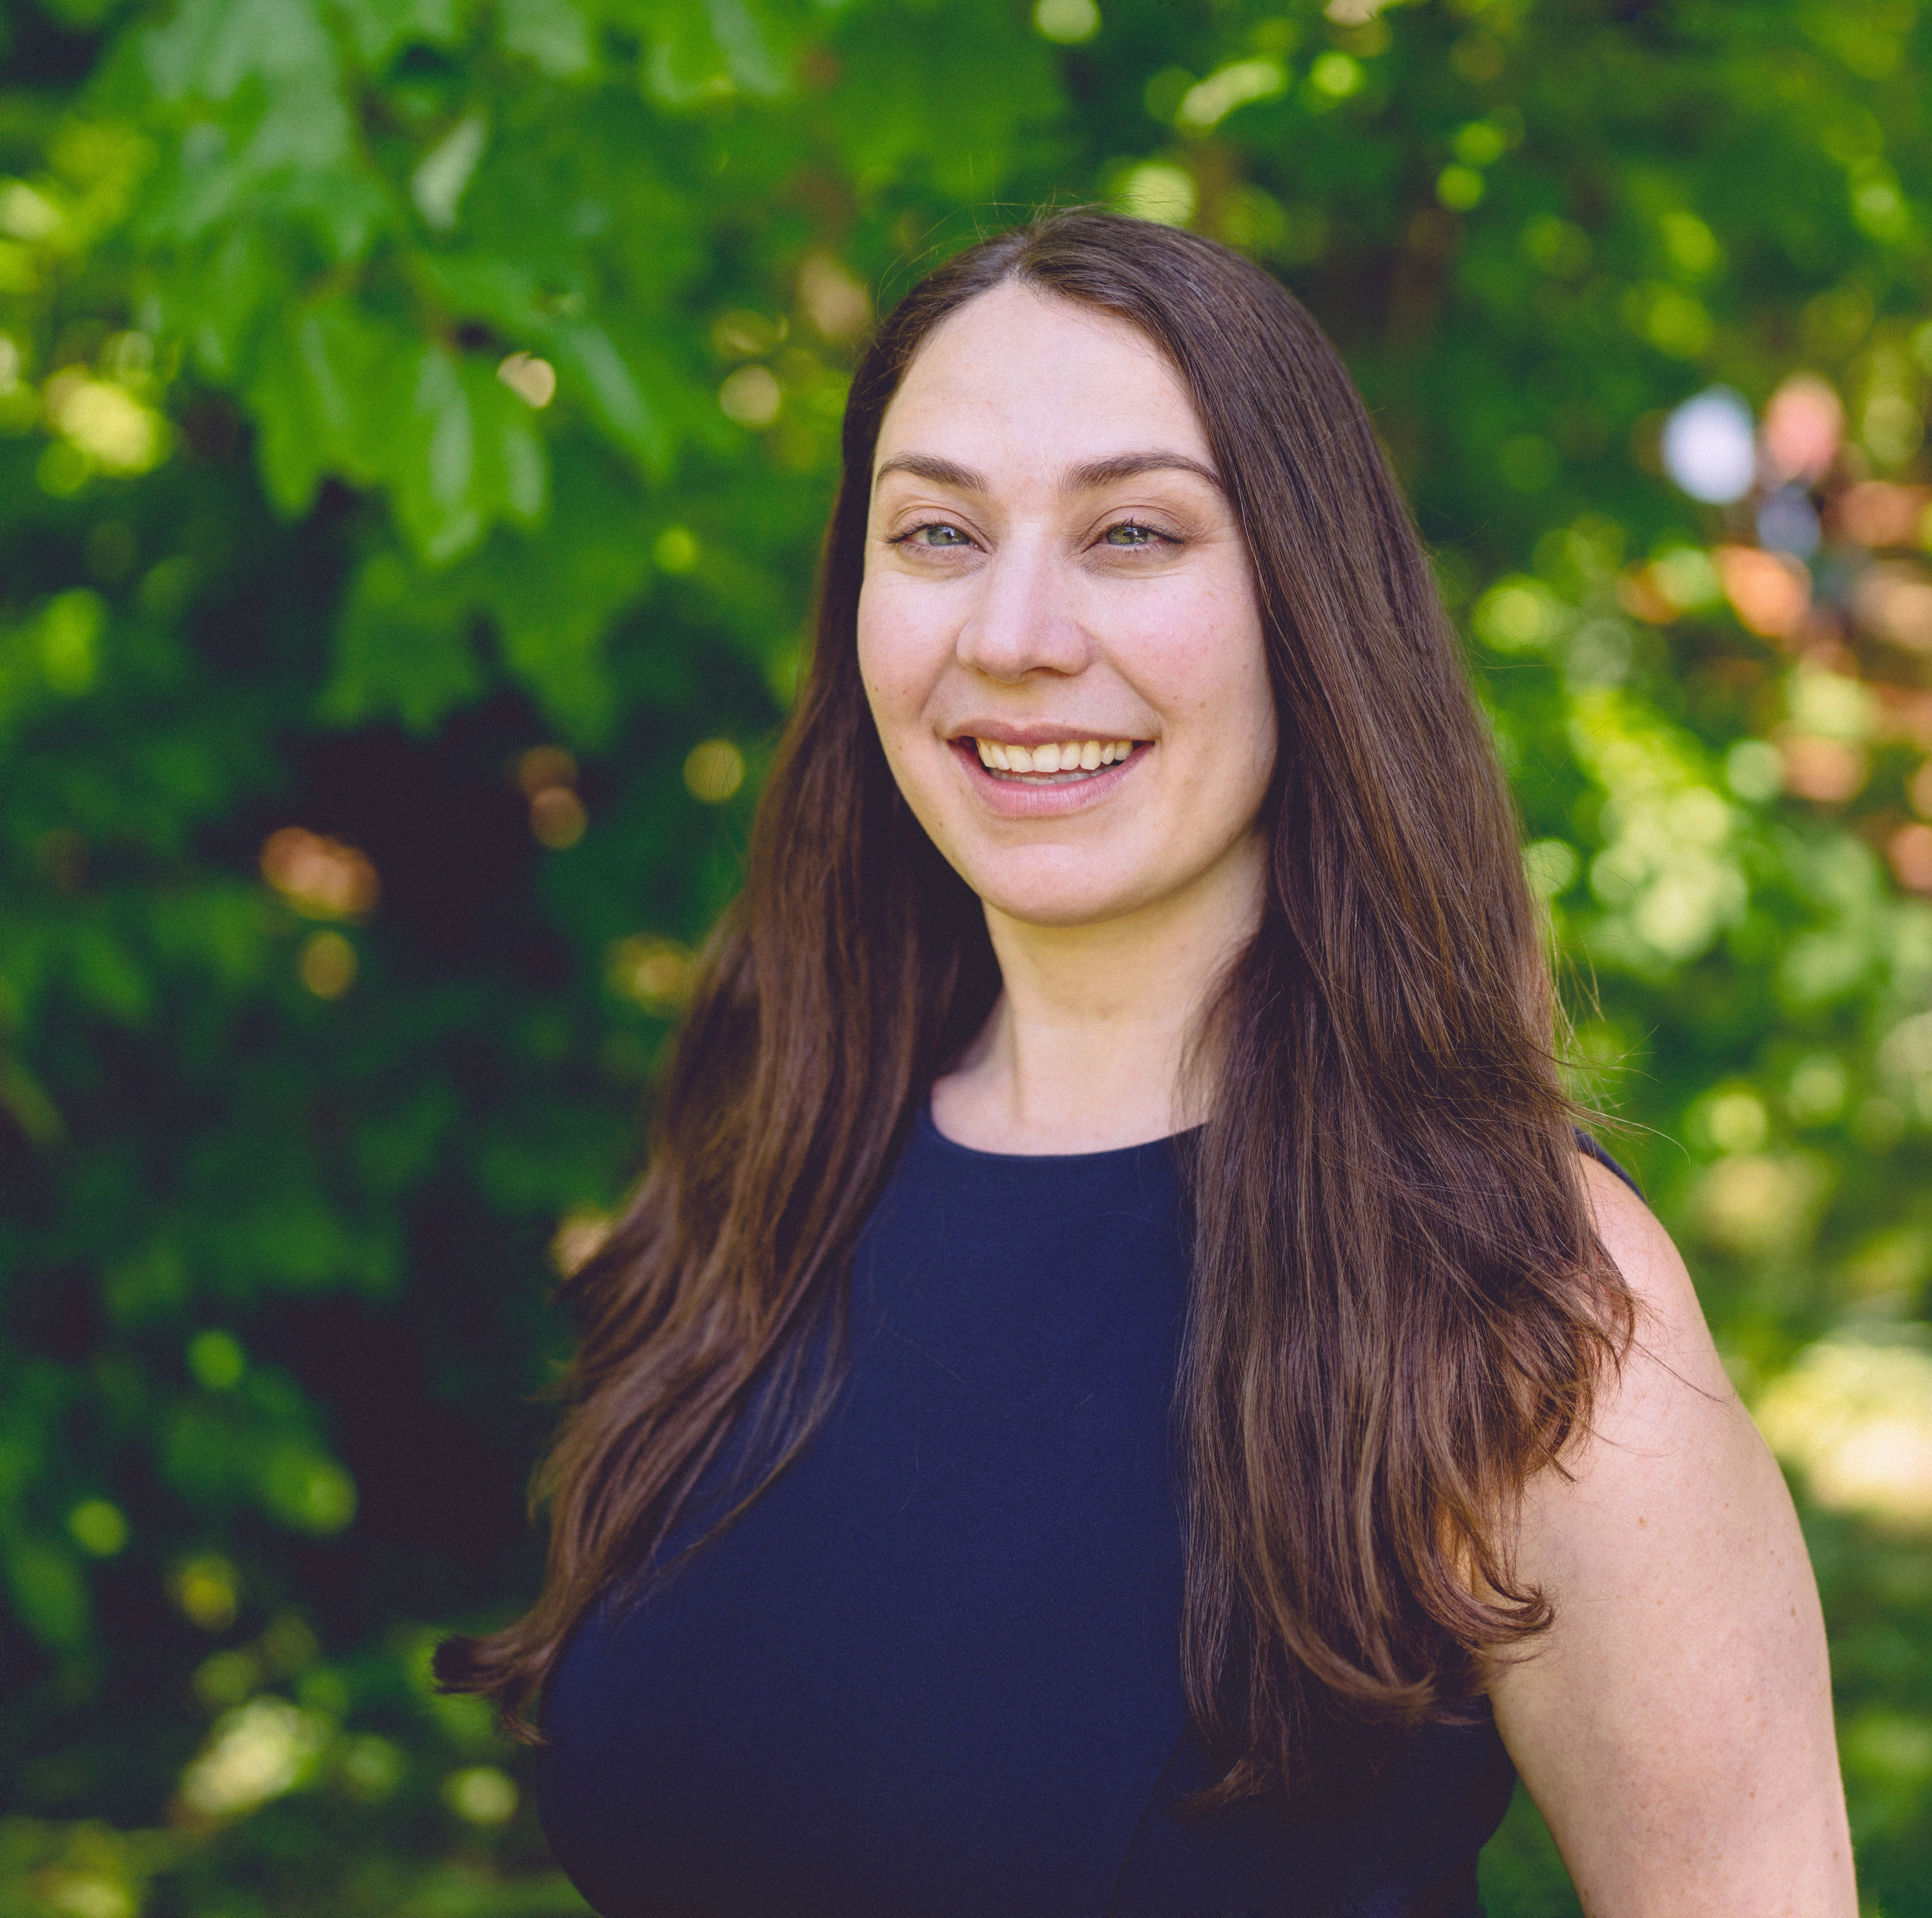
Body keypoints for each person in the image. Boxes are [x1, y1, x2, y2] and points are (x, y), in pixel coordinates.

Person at [436, 211, 1854, 1917]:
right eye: (939, 532)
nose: (1014, 632)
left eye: (1130, 533)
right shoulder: (774, 1166)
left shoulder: (1518, 1291)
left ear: (1306, 604)